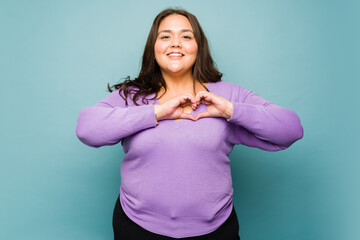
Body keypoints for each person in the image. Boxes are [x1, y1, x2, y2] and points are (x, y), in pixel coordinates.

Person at [76, 8, 303, 240]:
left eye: (186, 36)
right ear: (153, 48)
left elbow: (291, 129)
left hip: (216, 231)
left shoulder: (226, 95)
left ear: (198, 47)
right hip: (136, 228)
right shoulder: (132, 97)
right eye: (165, 36)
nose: (176, 43)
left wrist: (230, 110)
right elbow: (87, 129)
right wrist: (156, 113)